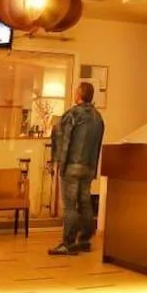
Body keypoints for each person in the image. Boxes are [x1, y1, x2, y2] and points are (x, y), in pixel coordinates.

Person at [49, 82, 105, 256]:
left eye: (75, 92)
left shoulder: (73, 114)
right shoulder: (98, 117)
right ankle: (85, 240)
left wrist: (58, 161)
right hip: (89, 166)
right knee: (85, 202)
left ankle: (68, 243)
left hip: (72, 165)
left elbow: (62, 136)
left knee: (70, 205)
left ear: (79, 95)